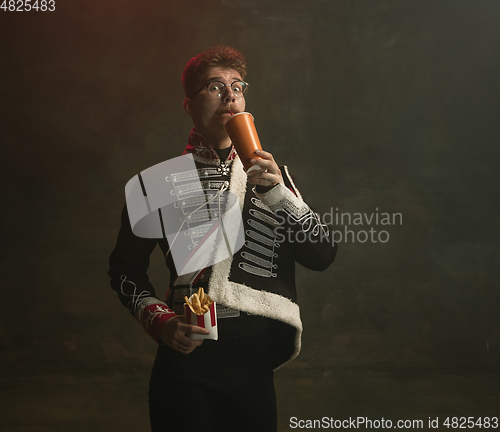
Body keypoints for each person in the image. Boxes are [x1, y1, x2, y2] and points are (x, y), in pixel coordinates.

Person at [108, 44, 337, 432]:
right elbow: (124, 269)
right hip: (187, 361)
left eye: (238, 86)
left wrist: (279, 193)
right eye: (215, 87)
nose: (230, 95)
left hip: (254, 361)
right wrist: (160, 323)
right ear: (189, 106)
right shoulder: (156, 183)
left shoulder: (271, 176)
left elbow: (322, 255)